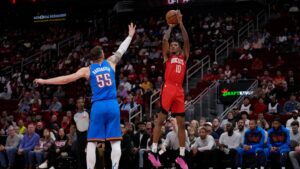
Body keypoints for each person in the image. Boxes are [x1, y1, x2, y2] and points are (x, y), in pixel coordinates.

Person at [34, 23, 136, 169]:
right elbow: (122, 49)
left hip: (98, 106)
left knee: (92, 143)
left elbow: (66, 79)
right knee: (115, 142)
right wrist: (130, 35)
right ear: (102, 55)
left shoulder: (87, 70)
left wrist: (44, 81)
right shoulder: (111, 62)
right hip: (113, 105)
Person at [148, 10, 190, 169]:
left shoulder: (184, 57)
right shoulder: (168, 57)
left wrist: (181, 24)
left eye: (175, 45)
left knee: (181, 123)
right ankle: (153, 151)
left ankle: (181, 155)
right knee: (160, 121)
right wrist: (171, 27)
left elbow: (186, 40)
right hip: (168, 88)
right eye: (171, 45)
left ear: (179, 48)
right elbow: (164, 39)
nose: (172, 46)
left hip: (179, 91)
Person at [74, 97, 89, 169]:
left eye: (82, 102)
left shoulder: (88, 112)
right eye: (79, 102)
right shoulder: (75, 115)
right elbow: (72, 126)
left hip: (88, 136)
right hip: (79, 137)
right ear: (76, 104)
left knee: (89, 154)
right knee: (80, 155)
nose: (81, 104)